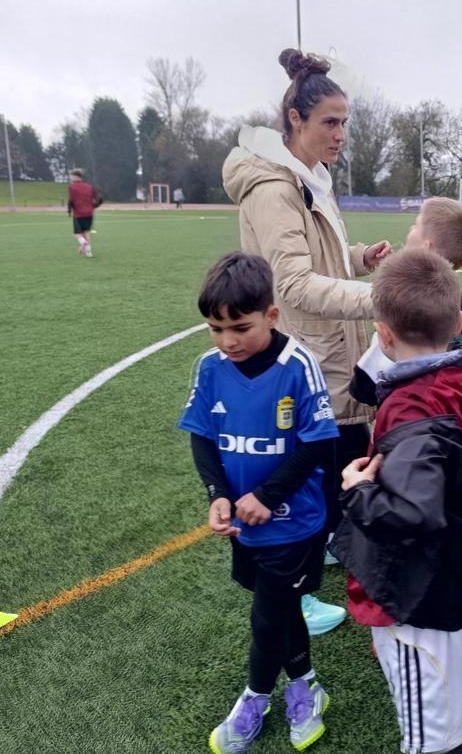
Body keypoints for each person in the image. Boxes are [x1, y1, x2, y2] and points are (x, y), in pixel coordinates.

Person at [222, 49, 393, 625]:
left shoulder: (310, 179)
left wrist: (359, 258)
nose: (341, 133)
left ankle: (316, 564)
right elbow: (291, 284)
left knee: (333, 472)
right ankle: (292, 596)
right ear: (294, 120)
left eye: (345, 121)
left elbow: (319, 260)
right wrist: (380, 299)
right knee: (310, 482)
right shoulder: (276, 188)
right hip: (309, 356)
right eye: (329, 121)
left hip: (332, 351)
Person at [331, 248, 462, 754]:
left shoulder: (415, 405)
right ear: (458, 323)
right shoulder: (454, 379)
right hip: (452, 573)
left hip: (417, 601)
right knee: (453, 716)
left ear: (383, 334)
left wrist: (358, 491)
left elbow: (413, 511)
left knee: (433, 741)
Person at [178, 253, 339, 754]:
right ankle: (307, 686)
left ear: (271, 315)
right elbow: (202, 437)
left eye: (240, 328)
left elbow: (319, 443)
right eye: (215, 329)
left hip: (295, 521)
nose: (228, 341)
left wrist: (268, 496)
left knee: (267, 616)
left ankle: (255, 697)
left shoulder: (299, 366)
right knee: (280, 606)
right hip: (245, 523)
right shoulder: (210, 368)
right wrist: (218, 495)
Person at [349, 197, 462, 407]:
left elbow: (363, 388)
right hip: (456, 412)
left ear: (427, 247)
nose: (411, 228)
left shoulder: (408, 308)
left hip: (407, 416)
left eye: (416, 224)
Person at [66, 168, 99, 258]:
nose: (70, 178)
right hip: (89, 213)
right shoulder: (90, 187)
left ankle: (84, 243)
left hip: (78, 213)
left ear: (75, 177)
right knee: (86, 232)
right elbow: (99, 198)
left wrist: (69, 210)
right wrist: (94, 206)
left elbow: (71, 200)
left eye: (71, 177)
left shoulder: (72, 187)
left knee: (77, 234)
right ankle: (88, 252)